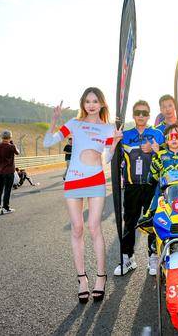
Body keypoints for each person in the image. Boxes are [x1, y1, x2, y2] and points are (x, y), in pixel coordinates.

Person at [43, 89, 122, 303]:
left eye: (95, 101)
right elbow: (48, 142)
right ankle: (82, 280)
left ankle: (101, 277)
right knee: (77, 228)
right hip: (74, 180)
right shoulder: (74, 123)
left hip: (95, 180)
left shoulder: (108, 128)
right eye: (87, 101)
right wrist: (54, 120)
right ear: (83, 104)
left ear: (102, 104)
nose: (91, 105)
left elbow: (107, 158)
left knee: (94, 227)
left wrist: (114, 143)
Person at [114, 100, 164, 277]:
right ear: (133, 115)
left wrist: (155, 149)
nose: (141, 116)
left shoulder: (157, 134)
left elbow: (168, 155)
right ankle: (128, 257)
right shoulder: (125, 134)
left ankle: (153, 257)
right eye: (138, 113)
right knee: (129, 222)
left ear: (149, 115)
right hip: (131, 186)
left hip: (152, 186)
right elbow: (112, 154)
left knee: (153, 222)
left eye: (144, 113)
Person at [145, 124, 178, 216]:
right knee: (150, 219)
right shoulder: (159, 155)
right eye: (171, 137)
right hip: (163, 195)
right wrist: (154, 168)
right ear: (166, 140)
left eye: (177, 136)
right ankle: (151, 212)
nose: (174, 139)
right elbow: (151, 180)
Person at [0, 130, 20, 214]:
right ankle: (5, 207)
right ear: (10, 137)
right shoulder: (11, 146)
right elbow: (18, 153)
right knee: (7, 190)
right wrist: (12, 144)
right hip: (9, 171)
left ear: (2, 137)